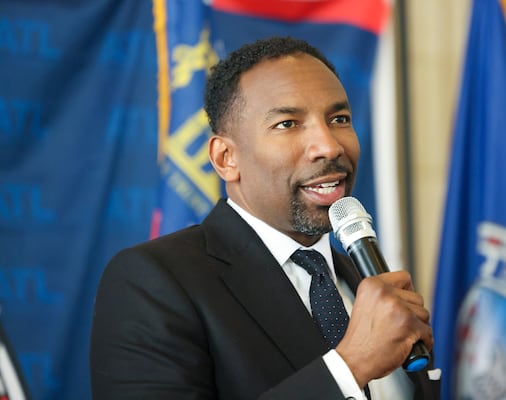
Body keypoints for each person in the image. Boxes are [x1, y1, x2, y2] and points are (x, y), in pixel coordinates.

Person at [90, 36, 439, 399]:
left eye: (339, 118)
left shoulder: (363, 279)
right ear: (226, 158)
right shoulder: (151, 283)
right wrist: (350, 366)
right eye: (288, 124)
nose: (329, 146)